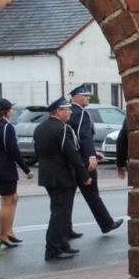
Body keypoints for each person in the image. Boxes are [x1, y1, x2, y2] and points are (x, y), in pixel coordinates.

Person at [34, 98, 88, 261]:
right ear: (58, 111)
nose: (70, 112)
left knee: (61, 212)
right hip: (62, 176)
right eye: (67, 109)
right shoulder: (62, 129)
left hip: (47, 175)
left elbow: (37, 152)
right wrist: (84, 175)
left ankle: (63, 244)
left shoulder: (40, 128)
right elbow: (71, 154)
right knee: (59, 214)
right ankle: (52, 249)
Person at [65, 85, 123, 237]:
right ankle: (107, 224)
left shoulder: (69, 112)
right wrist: (90, 155)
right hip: (83, 161)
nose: (88, 98)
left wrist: (92, 152)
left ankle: (66, 229)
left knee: (68, 198)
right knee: (92, 194)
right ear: (76, 97)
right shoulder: (81, 113)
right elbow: (83, 136)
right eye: (85, 95)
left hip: (72, 159)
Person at [0, 98, 32, 248]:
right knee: (7, 201)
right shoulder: (6, 127)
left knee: (13, 198)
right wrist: (26, 169)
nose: (12, 111)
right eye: (10, 109)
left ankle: (10, 231)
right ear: (6, 111)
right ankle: (3, 235)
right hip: (5, 169)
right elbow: (13, 150)